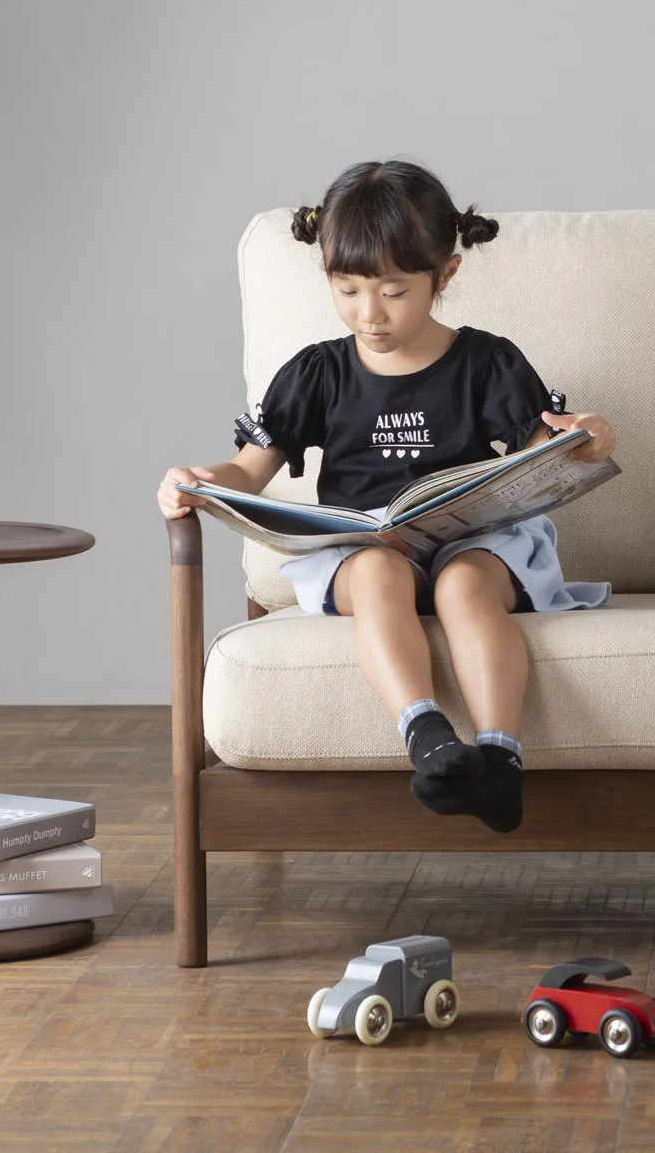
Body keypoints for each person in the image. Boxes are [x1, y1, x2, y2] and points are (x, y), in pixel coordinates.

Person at [157, 160, 617, 834]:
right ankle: (428, 740)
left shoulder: (487, 363)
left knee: (465, 585)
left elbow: (543, 450)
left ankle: (500, 763)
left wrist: (584, 438)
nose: (369, 314)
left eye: (394, 292)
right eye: (347, 290)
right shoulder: (318, 373)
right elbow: (249, 472)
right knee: (377, 572)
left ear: (445, 275)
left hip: (474, 539)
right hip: (365, 546)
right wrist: (199, 481)